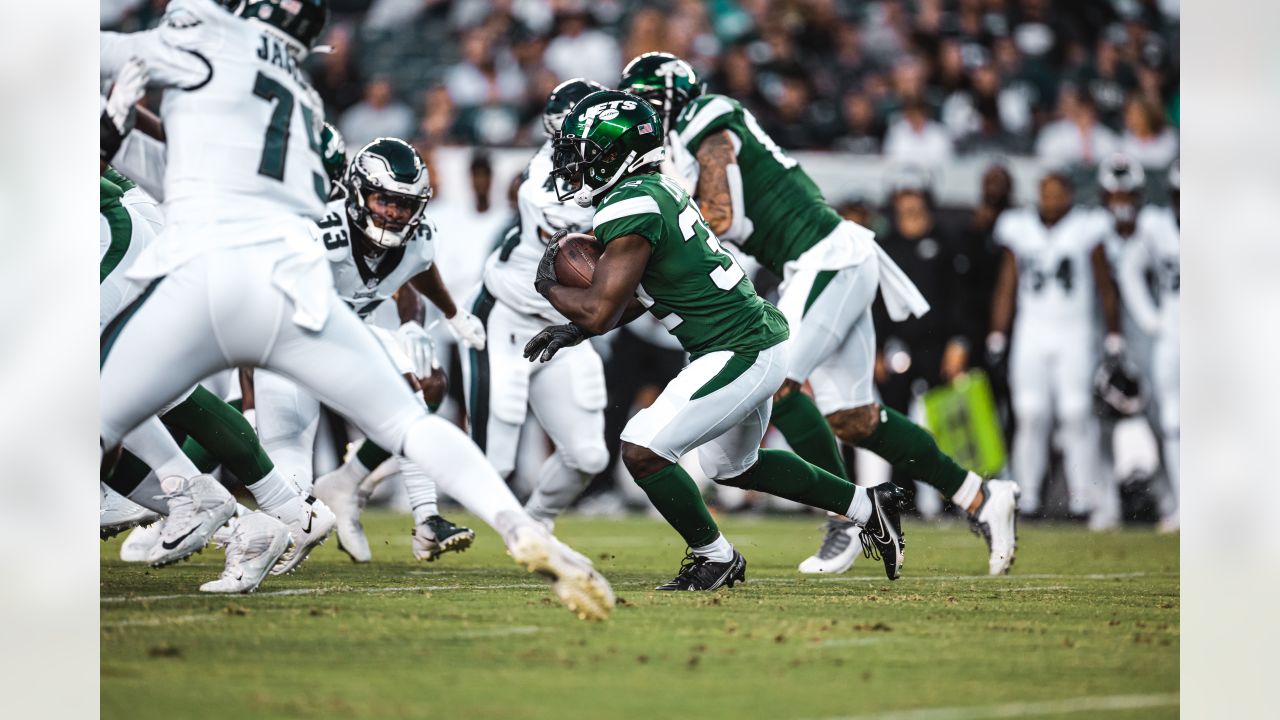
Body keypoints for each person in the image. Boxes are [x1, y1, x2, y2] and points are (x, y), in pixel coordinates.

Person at [99, 0, 613, 620]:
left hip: (207, 276)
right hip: (295, 288)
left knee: (83, 416)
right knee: (411, 422)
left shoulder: (207, 40)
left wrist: (113, 119)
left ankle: (176, 504)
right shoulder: (307, 102)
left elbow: (80, 57)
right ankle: (520, 527)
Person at [619, 52, 1019, 577]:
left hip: (824, 255)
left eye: (645, 103)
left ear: (669, 97)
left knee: (776, 379)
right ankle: (980, 497)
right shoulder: (683, 139)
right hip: (822, 260)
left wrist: (664, 226)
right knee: (853, 418)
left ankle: (849, 519)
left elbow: (720, 213)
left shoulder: (705, 118)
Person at [529, 89, 909, 590]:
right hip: (749, 341)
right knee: (732, 466)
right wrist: (574, 328)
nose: (574, 161)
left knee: (643, 449)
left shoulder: (632, 203)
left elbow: (601, 308)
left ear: (613, 154)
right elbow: (643, 294)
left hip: (739, 349)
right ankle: (869, 505)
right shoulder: (653, 190)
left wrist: (549, 286)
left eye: (583, 150)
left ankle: (716, 556)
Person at [252, 137, 483, 564]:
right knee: (290, 479)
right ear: (359, 192)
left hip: (343, 338)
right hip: (285, 346)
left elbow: (417, 267)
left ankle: (425, 516)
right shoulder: (321, 230)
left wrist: (448, 315)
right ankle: (201, 512)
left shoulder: (416, 238)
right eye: (384, 200)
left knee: (418, 391)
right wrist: (248, 395)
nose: (394, 213)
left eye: (404, 204)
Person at [457, 79, 610, 530]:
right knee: (493, 463)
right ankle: (412, 499)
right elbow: (589, 230)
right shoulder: (546, 185)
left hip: (565, 327)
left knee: (588, 455)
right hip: (507, 314)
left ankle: (537, 523)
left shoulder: (614, 177)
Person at [987, 172, 1124, 528]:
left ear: (1069, 195)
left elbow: (1104, 282)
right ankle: (1027, 496)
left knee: (1076, 413)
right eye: (1045, 193)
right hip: (1031, 329)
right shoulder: (1018, 227)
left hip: (1076, 330)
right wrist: (998, 333)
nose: (1051, 200)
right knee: (1030, 412)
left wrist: (1113, 333)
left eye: (1057, 193)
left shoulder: (1087, 227)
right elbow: (1006, 282)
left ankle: (1083, 498)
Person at [1117, 160, 1179, 532]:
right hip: (1172, 333)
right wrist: (1151, 318)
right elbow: (1128, 268)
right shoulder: (1157, 228)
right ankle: (1181, 503)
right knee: (1170, 421)